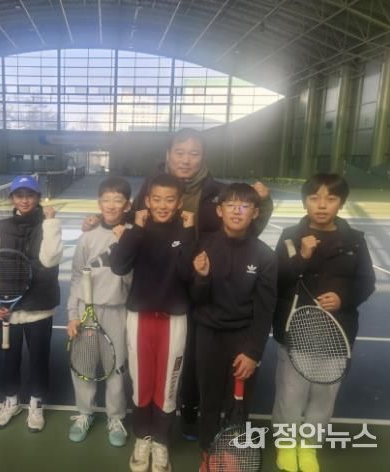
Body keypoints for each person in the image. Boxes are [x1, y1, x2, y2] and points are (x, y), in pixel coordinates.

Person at [83, 128, 273, 440]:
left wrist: (264, 204)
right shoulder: (151, 186)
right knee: (158, 365)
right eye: (180, 153)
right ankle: (157, 423)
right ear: (169, 155)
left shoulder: (218, 192)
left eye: (194, 153)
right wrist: (97, 220)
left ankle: (189, 414)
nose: (186, 160)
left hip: (200, 283)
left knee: (191, 360)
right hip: (160, 288)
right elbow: (129, 219)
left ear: (203, 157)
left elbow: (243, 222)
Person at [271, 174, 375, 472]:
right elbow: (277, 280)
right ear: (305, 202)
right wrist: (302, 257)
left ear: (340, 203)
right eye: (315, 198)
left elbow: (366, 282)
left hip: (336, 333)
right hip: (295, 330)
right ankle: (286, 444)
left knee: (324, 395)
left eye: (330, 199)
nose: (321, 205)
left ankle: (309, 446)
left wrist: (343, 299)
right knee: (290, 394)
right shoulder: (290, 236)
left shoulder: (355, 240)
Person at [189, 183, 277, 471]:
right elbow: (196, 299)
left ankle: (231, 454)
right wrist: (201, 278)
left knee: (239, 402)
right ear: (219, 210)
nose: (237, 211)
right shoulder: (204, 245)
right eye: (231, 205)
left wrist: (253, 352)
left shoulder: (264, 255)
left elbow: (265, 309)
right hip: (208, 336)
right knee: (209, 400)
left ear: (255, 213)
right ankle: (208, 453)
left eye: (245, 206)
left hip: (243, 338)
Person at [110, 173, 195, 472]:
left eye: (169, 200)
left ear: (179, 203)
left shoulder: (186, 231)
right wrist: (136, 228)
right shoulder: (138, 231)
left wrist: (188, 232)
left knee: (167, 387)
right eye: (156, 199)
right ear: (147, 201)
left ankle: (161, 441)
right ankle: (142, 437)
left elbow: (187, 274)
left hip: (174, 320)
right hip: (140, 318)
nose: (162, 205)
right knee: (142, 383)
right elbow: (118, 265)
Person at [0, 175, 63, 433]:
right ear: (12, 199)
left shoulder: (49, 224)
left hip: (39, 308)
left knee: (39, 360)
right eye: (19, 195)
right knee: (7, 360)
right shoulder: (1, 227)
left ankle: (36, 404)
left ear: (37, 198)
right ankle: (11, 402)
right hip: (7, 309)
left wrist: (50, 222)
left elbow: (50, 260)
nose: (25, 200)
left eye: (30, 195)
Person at [66, 177, 133, 447]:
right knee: (83, 366)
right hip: (86, 311)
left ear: (127, 205)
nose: (111, 205)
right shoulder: (87, 236)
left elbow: (134, 281)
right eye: (106, 200)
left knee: (116, 368)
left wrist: (124, 247)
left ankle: (116, 418)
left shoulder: (132, 236)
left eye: (118, 200)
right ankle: (84, 413)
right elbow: (75, 276)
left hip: (118, 312)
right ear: (99, 203)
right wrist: (73, 314)